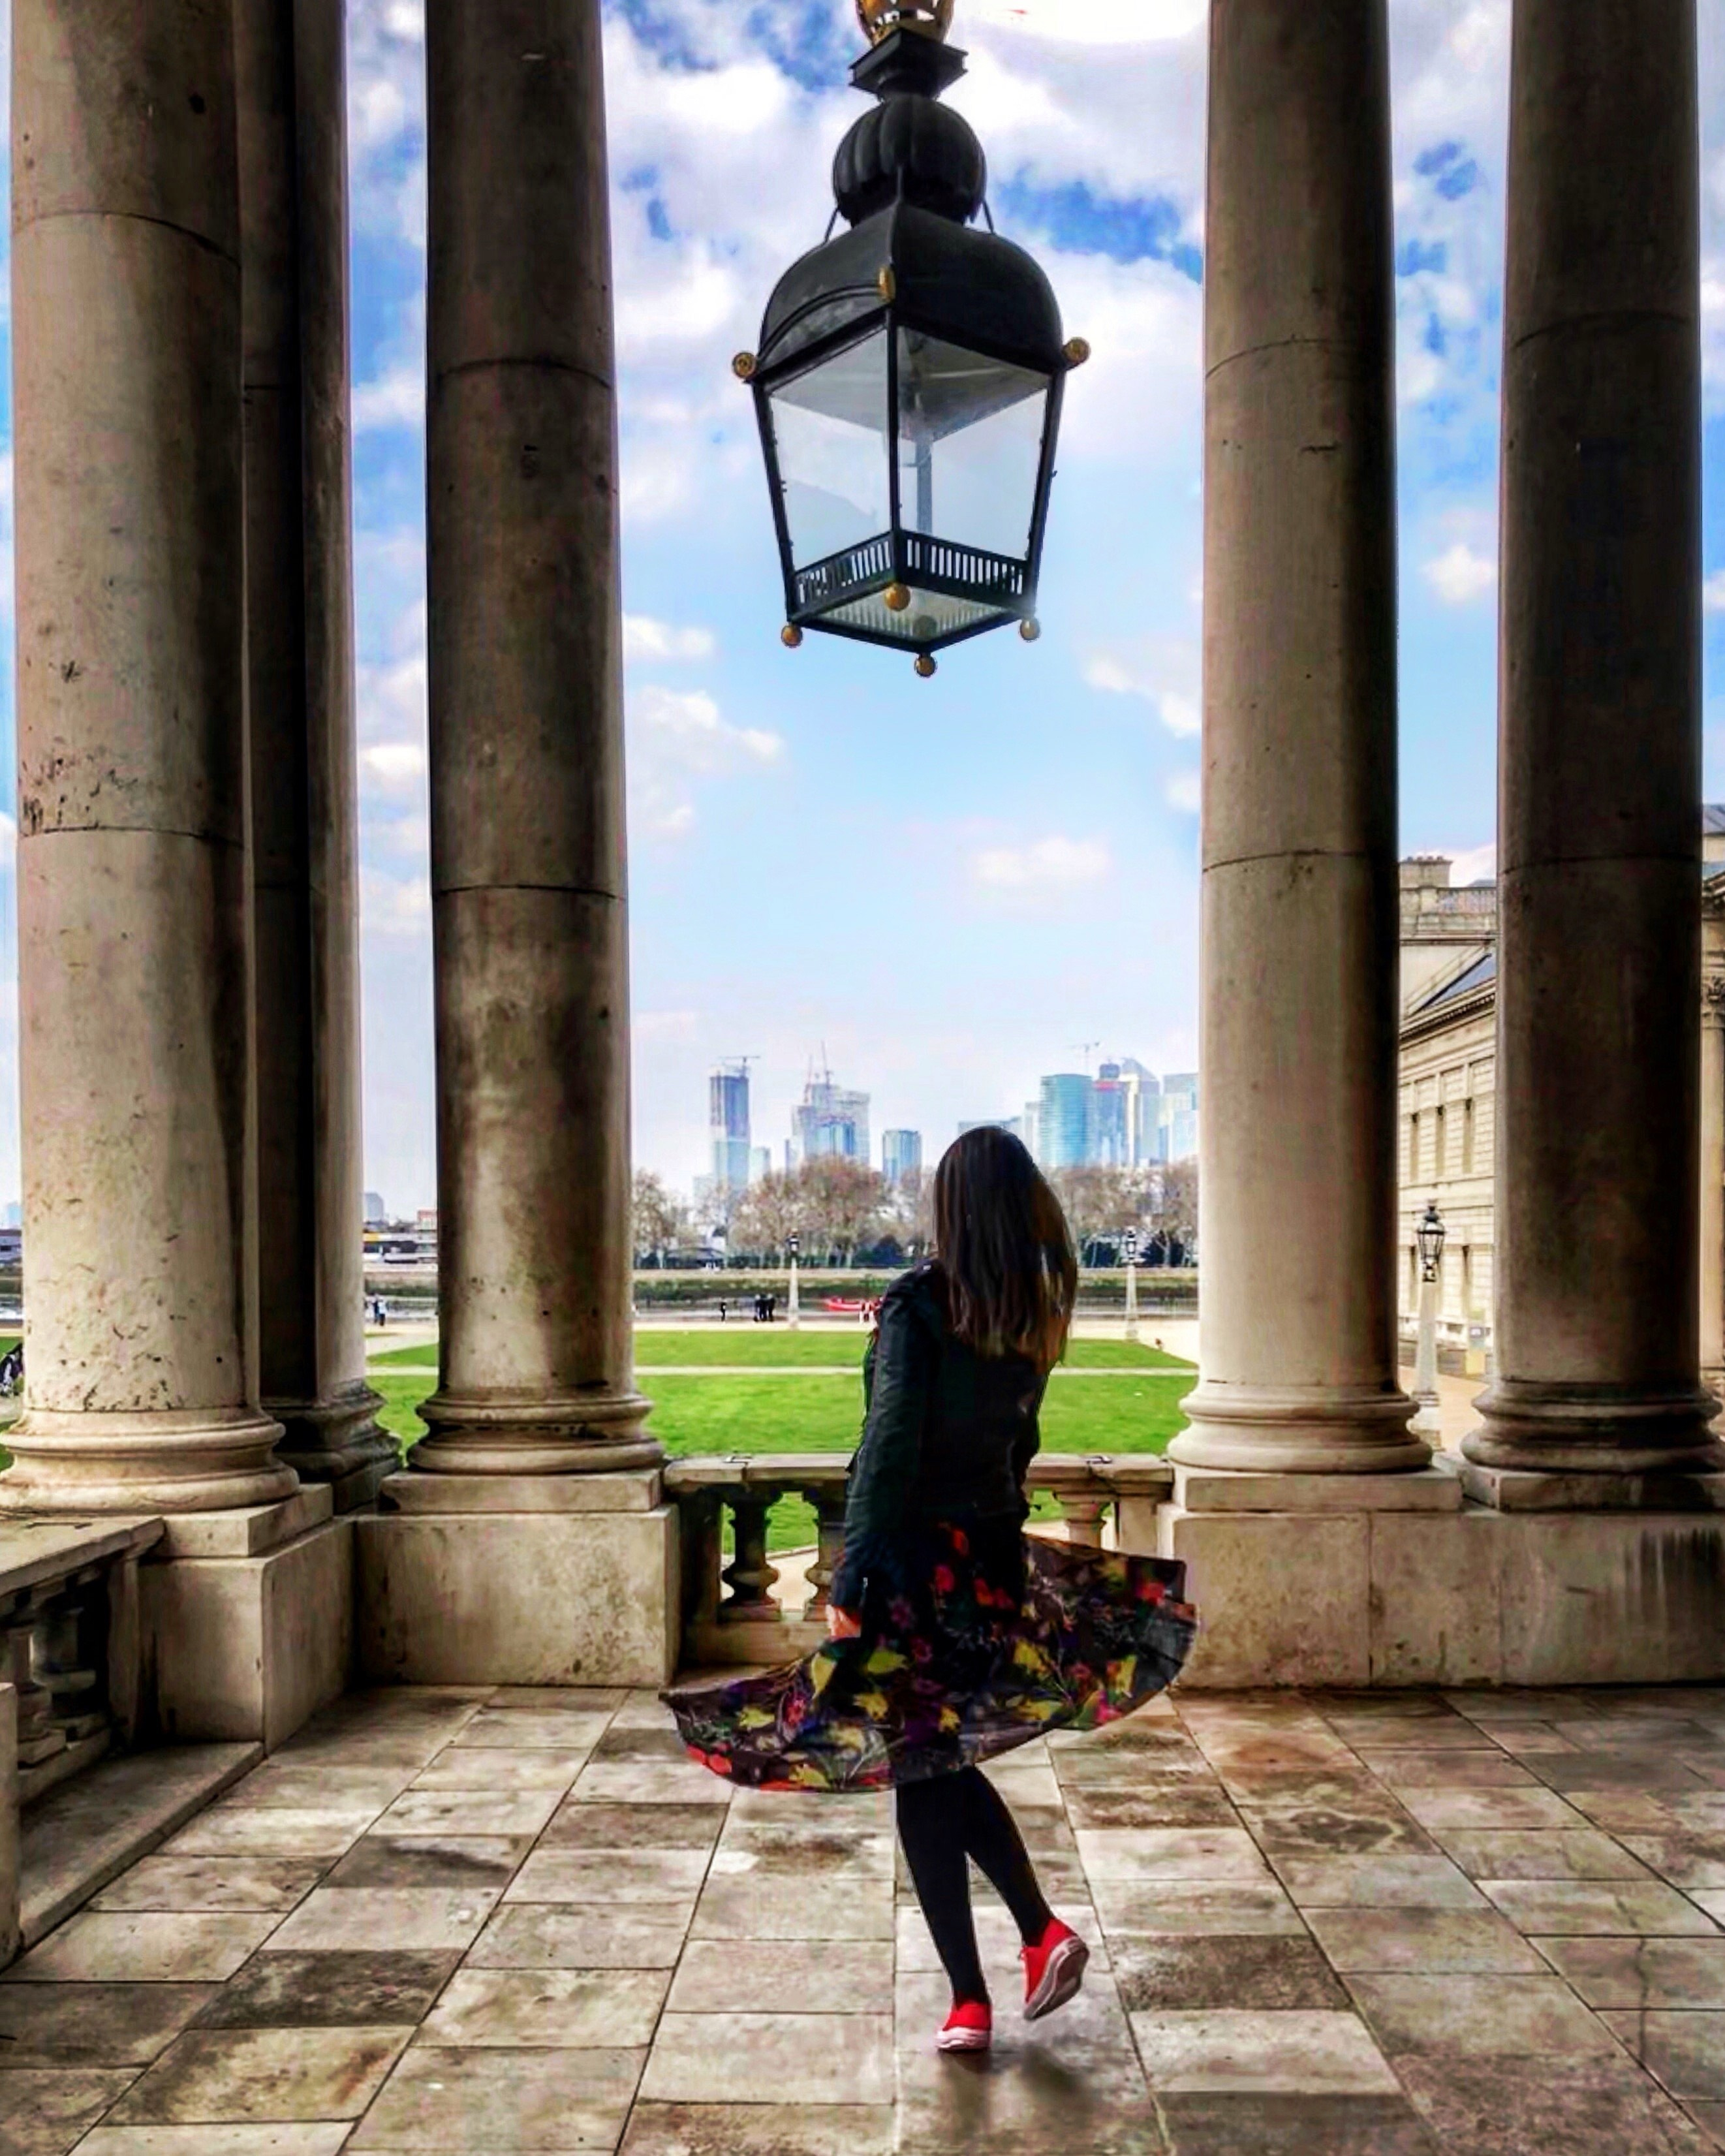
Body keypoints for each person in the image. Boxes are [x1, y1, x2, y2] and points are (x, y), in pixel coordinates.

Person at [665, 1127, 1196, 2056]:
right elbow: (1014, 1450)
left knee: (919, 1765)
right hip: (984, 1564)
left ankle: (997, 1973)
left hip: (914, 1568)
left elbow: (888, 1443)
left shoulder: (918, 1305)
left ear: (952, 1208)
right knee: (930, 1763)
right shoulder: (1028, 1314)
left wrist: (857, 1565)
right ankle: (1011, 1962)